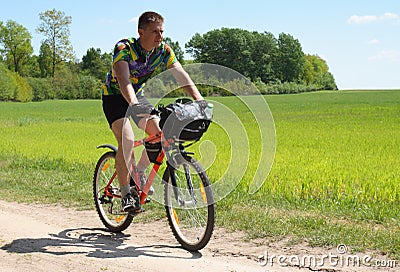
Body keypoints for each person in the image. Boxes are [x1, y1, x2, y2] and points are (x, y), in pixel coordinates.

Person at [101, 11, 204, 213]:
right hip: (114, 96)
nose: (160, 36)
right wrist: (132, 103)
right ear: (141, 32)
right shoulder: (124, 48)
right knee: (127, 139)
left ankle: (138, 171)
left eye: (162, 31)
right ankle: (126, 194)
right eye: (155, 32)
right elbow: (123, 80)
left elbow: (180, 74)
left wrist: (199, 100)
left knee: (158, 133)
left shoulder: (163, 51)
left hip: (137, 95)